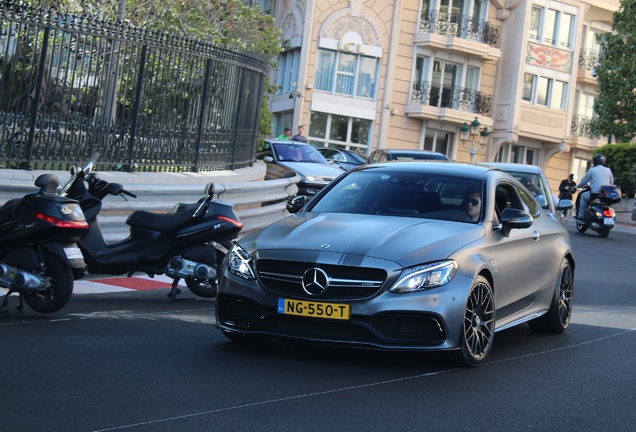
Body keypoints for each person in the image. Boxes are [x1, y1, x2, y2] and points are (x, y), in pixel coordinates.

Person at [575, 154, 614, 220]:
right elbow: (612, 183)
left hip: (595, 194)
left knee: (582, 196)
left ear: (594, 162)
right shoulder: (608, 170)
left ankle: (580, 216)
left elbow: (583, 181)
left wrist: (578, 186)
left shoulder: (592, 170)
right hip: (606, 195)